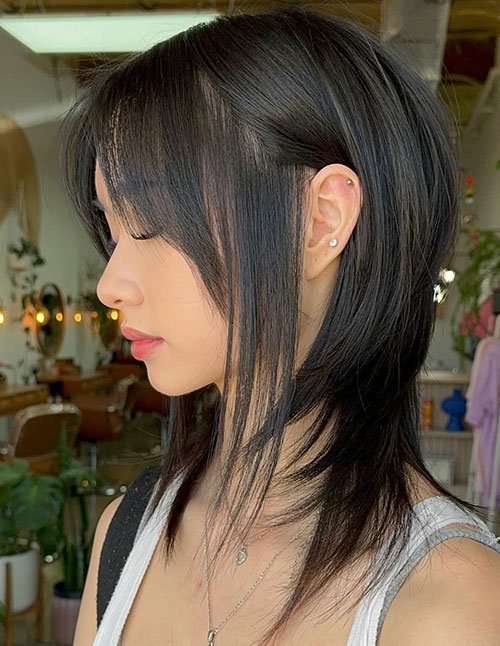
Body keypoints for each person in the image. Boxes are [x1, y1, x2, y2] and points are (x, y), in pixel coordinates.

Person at [61, 8, 500, 646]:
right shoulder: (126, 536)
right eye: (112, 230)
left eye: (150, 223)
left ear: (320, 220)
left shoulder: (450, 610)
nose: (110, 285)